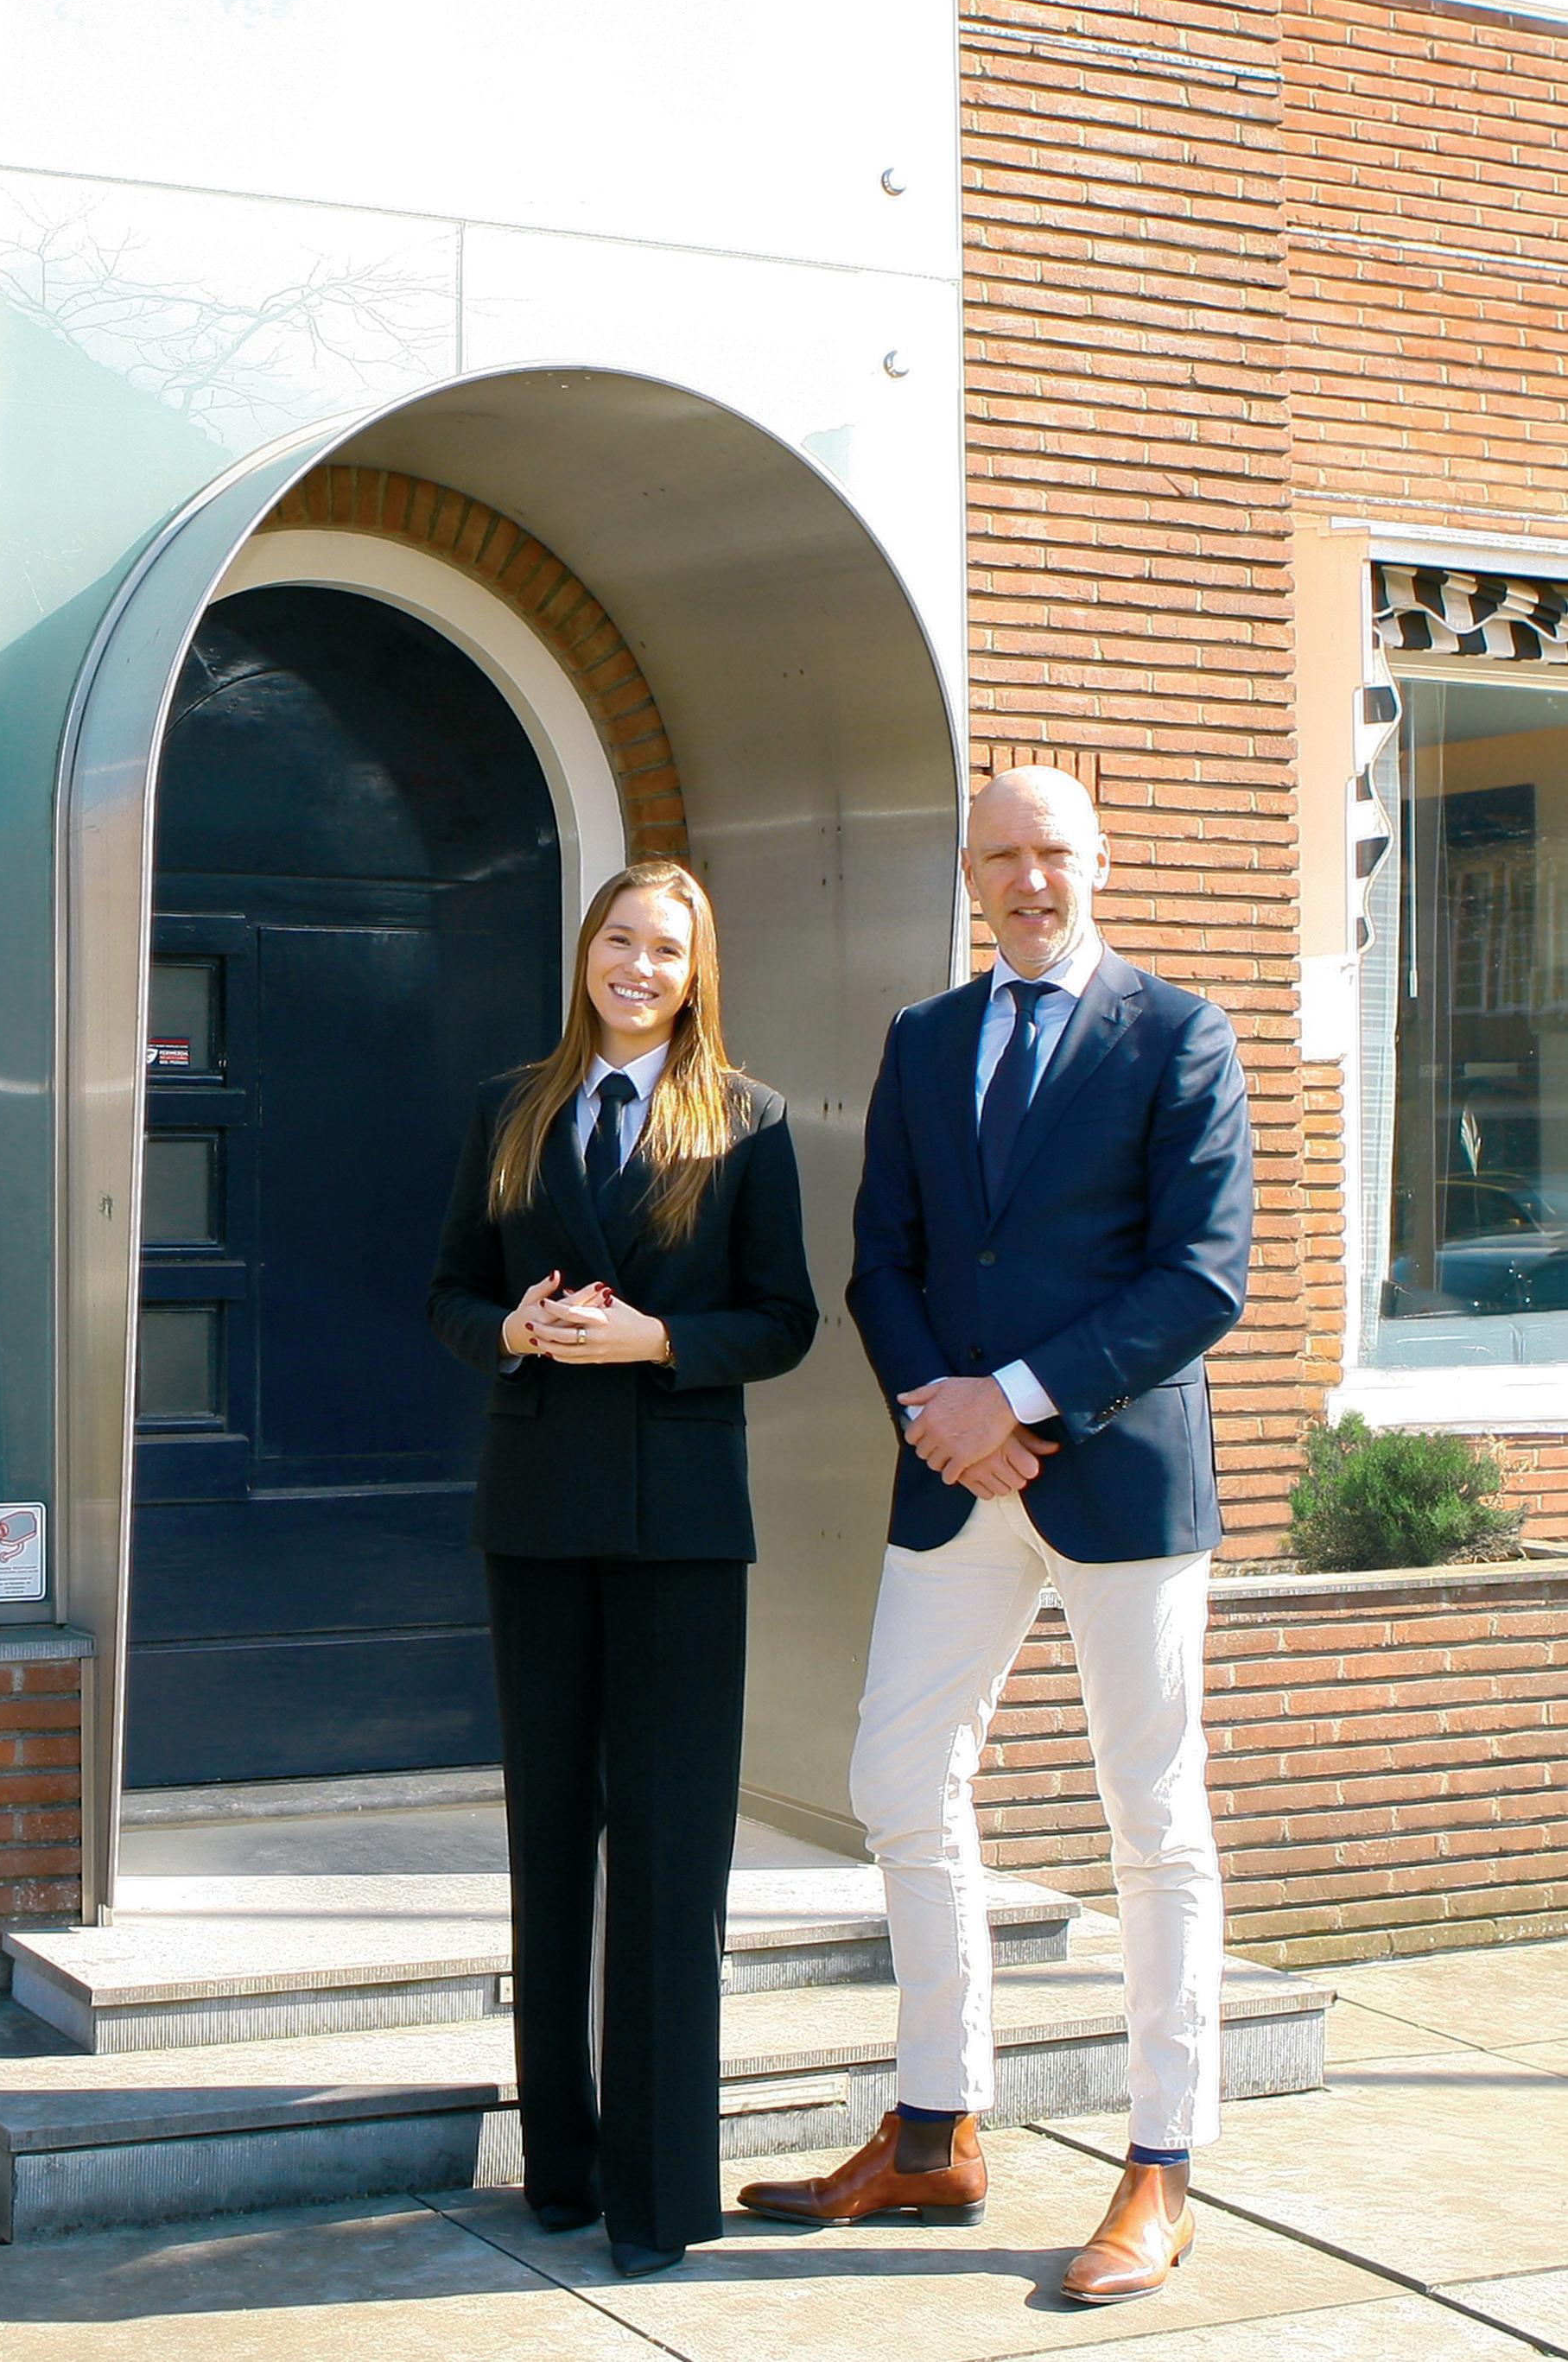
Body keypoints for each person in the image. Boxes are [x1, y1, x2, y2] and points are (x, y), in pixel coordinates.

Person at [738, 767, 1254, 2308]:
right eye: (1001, 857)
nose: (1029, 879)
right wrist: (940, 1413)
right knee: (897, 1778)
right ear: (969, 874)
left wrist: (1014, 1399)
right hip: (955, 1475)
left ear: (1099, 861)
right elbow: (882, 1258)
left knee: (1151, 1814)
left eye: (1052, 852)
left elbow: (1202, 1276)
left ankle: (1162, 2159)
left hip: (1119, 1478)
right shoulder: (924, 1036)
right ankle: (934, 2126)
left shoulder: (1178, 1033)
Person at [429, 858, 818, 2278]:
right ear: (585, 949)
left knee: (670, 1853)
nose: (637, 966)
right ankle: (561, 2165)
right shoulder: (511, 1109)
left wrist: (660, 1341)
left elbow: (784, 1318)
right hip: (536, 1512)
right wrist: (510, 1329)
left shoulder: (749, 1120)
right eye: (618, 938)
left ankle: (658, 2194)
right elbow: (449, 1289)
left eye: (665, 946)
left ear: (696, 969)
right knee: (551, 1838)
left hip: (682, 1526)